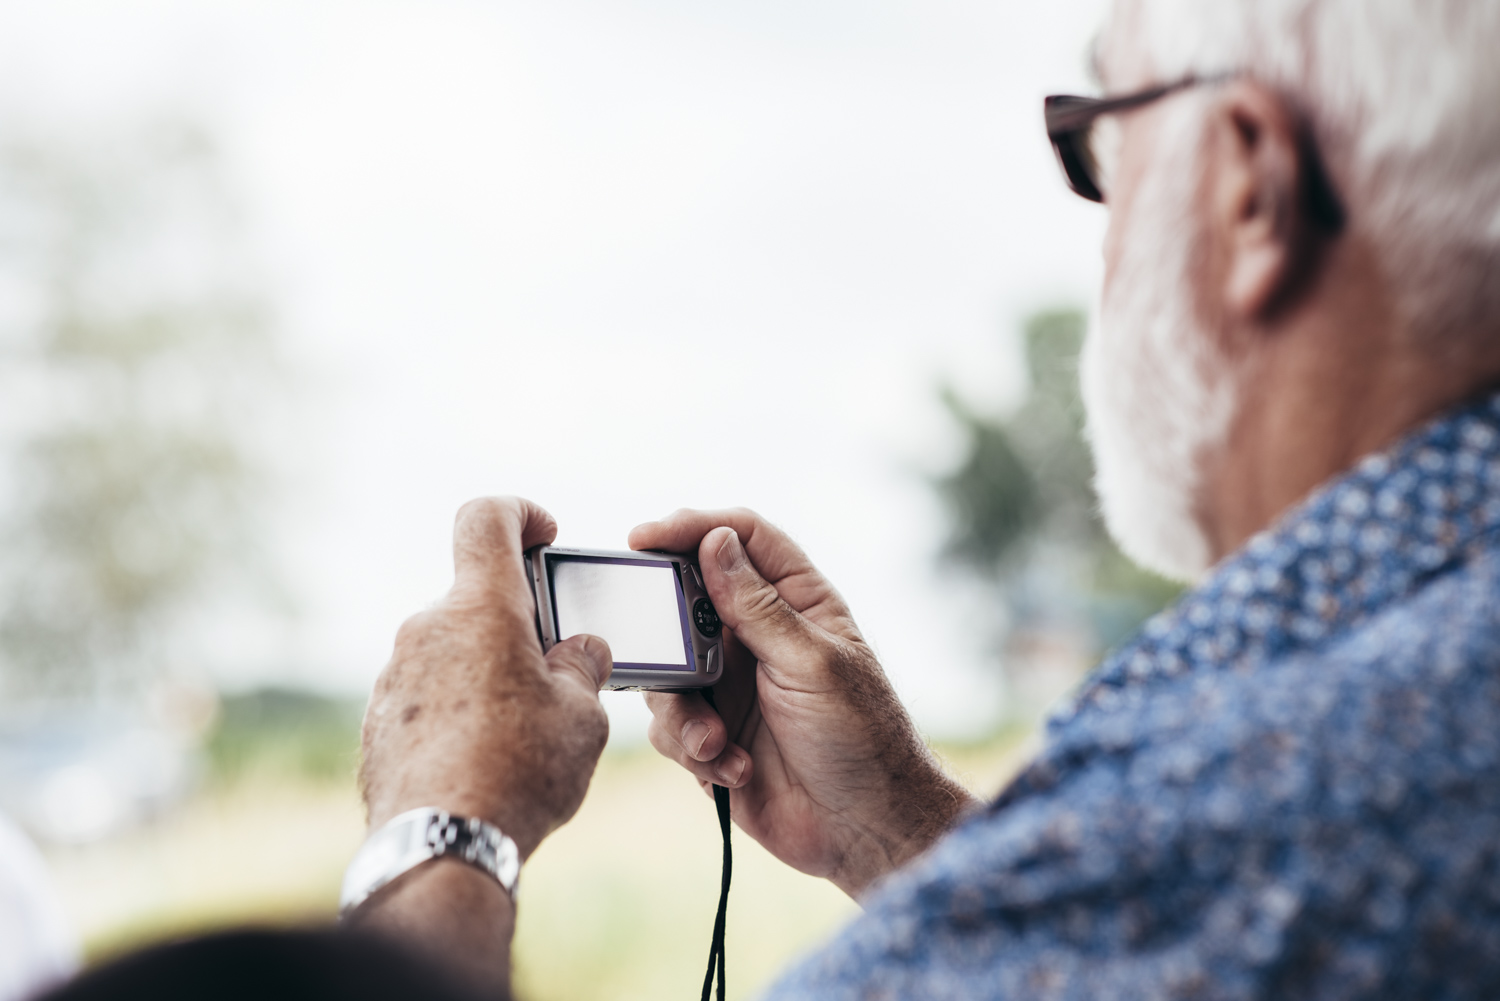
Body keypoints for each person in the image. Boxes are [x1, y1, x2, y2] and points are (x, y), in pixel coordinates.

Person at [347, 0, 1500, 997]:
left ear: (1252, 186)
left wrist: (438, 828)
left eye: (1100, 150)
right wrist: (902, 832)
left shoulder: (1300, 777)